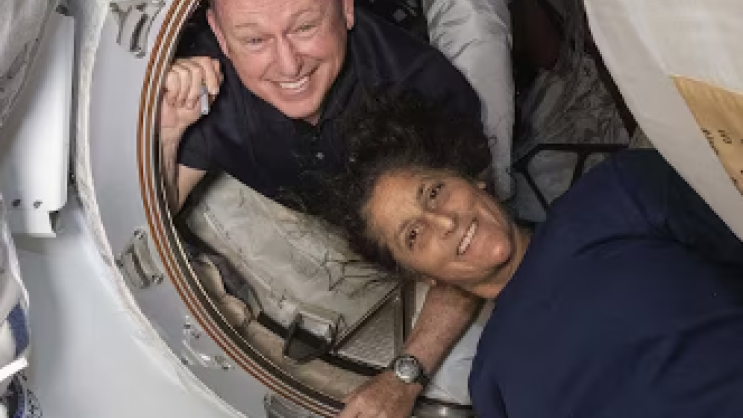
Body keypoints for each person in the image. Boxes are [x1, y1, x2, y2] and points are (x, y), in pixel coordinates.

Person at [302, 94, 743, 418]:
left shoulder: (615, 195)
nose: (444, 221)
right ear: (423, 276)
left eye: (434, 192)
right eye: (414, 235)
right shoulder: (491, 385)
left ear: (473, 179)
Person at [157, 0, 497, 416]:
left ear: (346, 9)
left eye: (304, 27)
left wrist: (404, 376)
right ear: (221, 36)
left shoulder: (420, 86)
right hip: (308, 215)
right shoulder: (205, 81)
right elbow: (160, 209)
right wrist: (170, 130)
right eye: (255, 39)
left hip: (411, 226)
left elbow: (473, 243)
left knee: (463, 389)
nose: (288, 65)